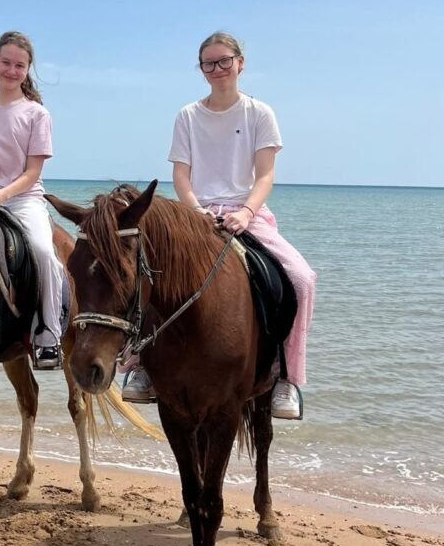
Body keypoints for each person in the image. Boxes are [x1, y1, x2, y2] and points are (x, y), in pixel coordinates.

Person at [121, 31, 316, 419]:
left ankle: (287, 378)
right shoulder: (188, 116)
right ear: (201, 69)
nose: (217, 69)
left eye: (224, 61)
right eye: (208, 63)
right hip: (195, 213)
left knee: (301, 278)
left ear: (240, 63)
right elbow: (181, 175)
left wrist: (246, 213)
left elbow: (265, 175)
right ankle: (138, 365)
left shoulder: (259, 113)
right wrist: (195, 210)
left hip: (247, 213)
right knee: (145, 270)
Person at [0, 31, 64, 370]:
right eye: (5, 62)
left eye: (19, 65)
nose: (11, 70)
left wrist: (0, 194)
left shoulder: (37, 114)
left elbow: (32, 173)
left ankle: (48, 334)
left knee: (43, 251)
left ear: (27, 69)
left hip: (24, 200)